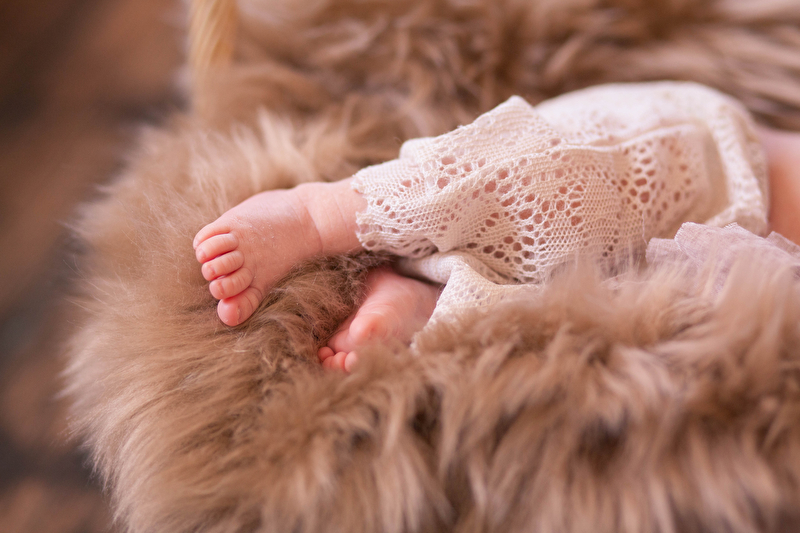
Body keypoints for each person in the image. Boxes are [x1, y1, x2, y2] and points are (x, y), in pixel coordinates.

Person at [193, 82, 800, 372]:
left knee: (589, 318)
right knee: (548, 187)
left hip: (737, 265)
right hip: (717, 163)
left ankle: (430, 299)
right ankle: (322, 213)